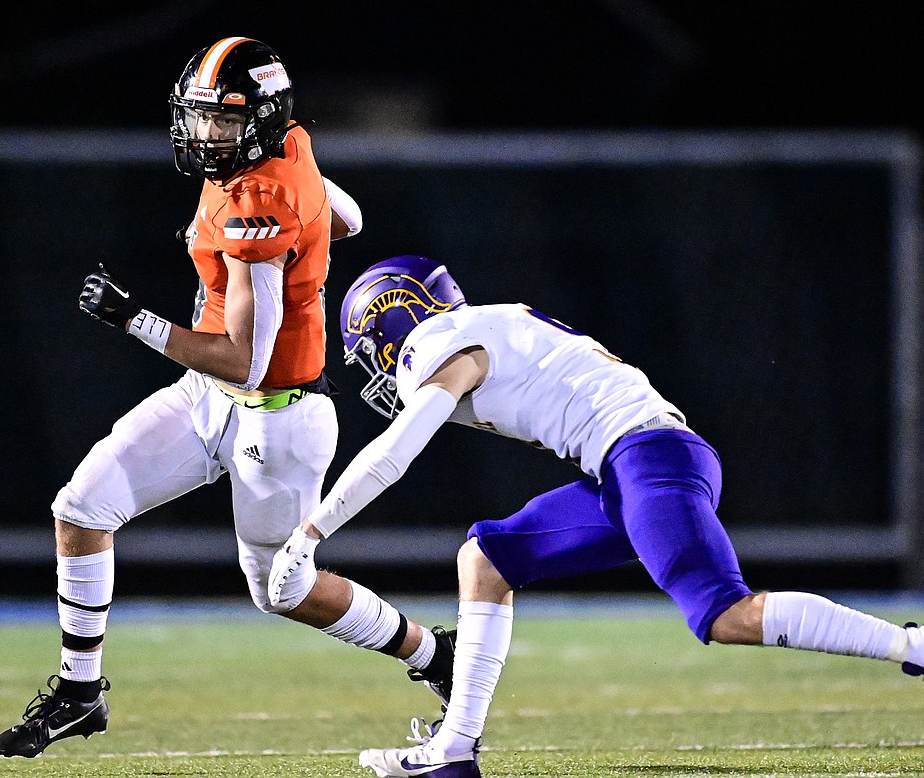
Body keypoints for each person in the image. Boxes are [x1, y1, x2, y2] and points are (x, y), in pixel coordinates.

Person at [267, 254, 924, 778]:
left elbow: (397, 450)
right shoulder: (482, 326)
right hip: (630, 468)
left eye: (369, 346)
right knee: (488, 557)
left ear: (391, 321)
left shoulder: (441, 342)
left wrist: (312, 529)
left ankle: (913, 645)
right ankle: (454, 750)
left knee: (724, 613)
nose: (375, 365)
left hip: (648, 460)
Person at [0, 39, 453, 759]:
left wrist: (131, 317)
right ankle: (82, 692)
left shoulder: (258, 204)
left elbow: (246, 360)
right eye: (202, 117)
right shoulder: (283, 150)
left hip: (278, 417)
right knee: (81, 508)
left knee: (281, 591)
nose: (208, 134)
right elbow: (347, 214)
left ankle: (432, 653)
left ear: (262, 121)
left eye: (226, 121)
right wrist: (308, 225)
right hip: (208, 397)